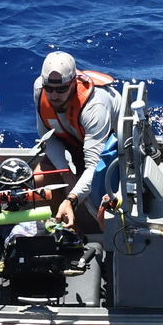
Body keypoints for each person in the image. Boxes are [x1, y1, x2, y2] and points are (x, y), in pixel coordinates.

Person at [33, 51, 119, 229]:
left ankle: (111, 243)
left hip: (109, 149)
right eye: (49, 88)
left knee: (99, 200)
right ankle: (69, 232)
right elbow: (48, 140)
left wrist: (72, 198)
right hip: (75, 142)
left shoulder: (95, 107)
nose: (54, 96)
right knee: (41, 179)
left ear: (74, 83)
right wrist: (67, 172)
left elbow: (94, 165)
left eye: (62, 89)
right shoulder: (39, 91)